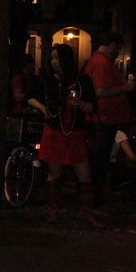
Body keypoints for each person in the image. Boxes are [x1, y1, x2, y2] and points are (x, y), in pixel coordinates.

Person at [27, 44, 102, 227]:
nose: (54, 62)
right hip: (54, 131)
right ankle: (54, 211)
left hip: (75, 132)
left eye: (57, 58)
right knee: (54, 173)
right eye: (52, 58)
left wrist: (81, 105)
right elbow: (29, 96)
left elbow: (93, 106)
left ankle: (86, 212)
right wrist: (43, 108)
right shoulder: (47, 80)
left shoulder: (82, 80)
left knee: (84, 174)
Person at [82, 32, 136, 207]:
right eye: (119, 48)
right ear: (113, 45)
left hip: (103, 119)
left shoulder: (97, 62)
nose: (119, 52)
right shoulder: (102, 64)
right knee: (99, 160)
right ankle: (95, 198)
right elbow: (101, 91)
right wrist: (125, 88)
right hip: (103, 119)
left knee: (98, 160)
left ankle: (94, 197)